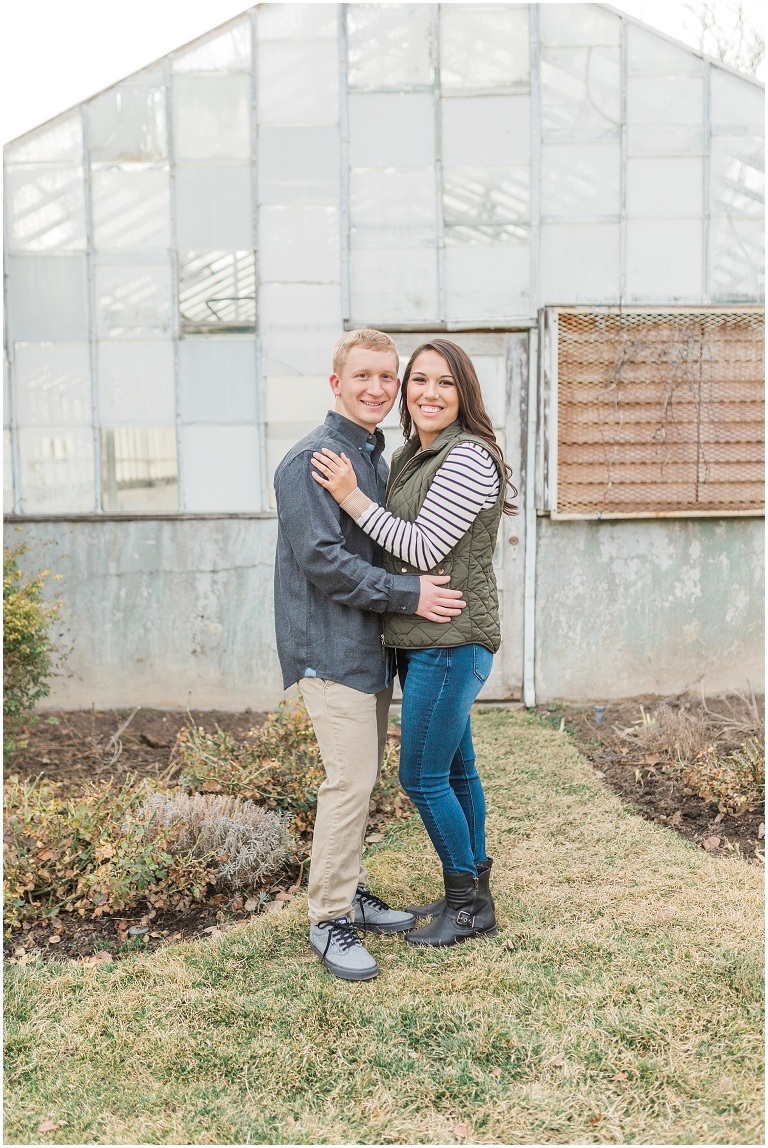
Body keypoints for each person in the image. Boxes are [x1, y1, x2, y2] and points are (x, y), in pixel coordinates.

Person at [273, 329, 468, 981]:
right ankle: (329, 917)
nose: (378, 388)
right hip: (329, 652)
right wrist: (409, 595)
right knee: (349, 783)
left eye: (389, 377)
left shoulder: (371, 456)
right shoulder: (311, 461)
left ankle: (348, 889)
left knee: (359, 783)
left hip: (366, 649)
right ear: (336, 384)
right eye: (363, 376)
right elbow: (324, 562)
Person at [311, 338, 517, 948]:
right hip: (427, 639)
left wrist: (350, 496)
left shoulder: (468, 457)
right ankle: (475, 894)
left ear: (464, 394)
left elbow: (423, 547)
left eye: (445, 383)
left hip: (451, 642)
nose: (429, 393)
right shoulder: (412, 455)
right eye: (419, 381)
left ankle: (466, 905)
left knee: (422, 777)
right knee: (456, 770)